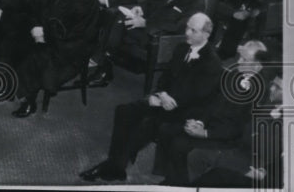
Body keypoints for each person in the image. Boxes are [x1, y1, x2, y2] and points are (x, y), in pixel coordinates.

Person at [79, 12, 222, 182]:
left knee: (146, 125)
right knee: (124, 111)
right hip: (164, 100)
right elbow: (165, 77)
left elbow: (198, 96)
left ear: (206, 34)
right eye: (187, 28)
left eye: (193, 30)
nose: (187, 33)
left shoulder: (212, 62)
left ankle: (114, 166)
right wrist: (160, 94)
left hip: (185, 112)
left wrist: (169, 101)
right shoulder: (181, 48)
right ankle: (116, 166)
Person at [154, 40, 270, 185]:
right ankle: (172, 178)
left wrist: (205, 133)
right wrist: (199, 122)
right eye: (240, 57)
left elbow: (240, 128)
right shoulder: (234, 73)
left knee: (180, 143)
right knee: (166, 129)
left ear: (258, 66)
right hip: (209, 124)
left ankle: (181, 184)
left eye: (244, 60)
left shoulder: (260, 92)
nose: (238, 61)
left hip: (227, 138)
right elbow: (213, 104)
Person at [11, 0, 100, 117]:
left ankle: (29, 100)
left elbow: (80, 37)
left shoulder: (88, 0)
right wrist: (36, 26)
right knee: (16, 35)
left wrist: (45, 36)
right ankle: (14, 84)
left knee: (38, 56)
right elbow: (37, 7)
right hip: (45, 36)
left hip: (66, 50)